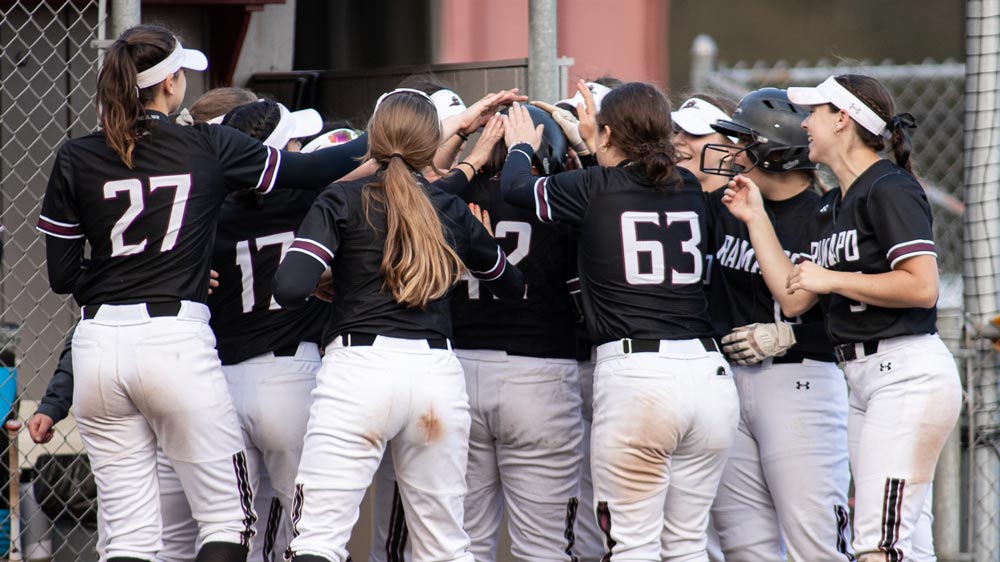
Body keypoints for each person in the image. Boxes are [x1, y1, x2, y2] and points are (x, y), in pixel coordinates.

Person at [35, 24, 368, 562]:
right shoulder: (206, 143)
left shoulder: (76, 155)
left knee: (130, 538)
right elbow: (311, 168)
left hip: (97, 343)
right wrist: (399, 129)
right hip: (173, 339)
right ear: (169, 84)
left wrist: (134, 270)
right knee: (229, 519)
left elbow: (63, 277)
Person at [272, 88, 525, 562]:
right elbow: (513, 286)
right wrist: (482, 246)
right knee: (445, 549)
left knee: (317, 542)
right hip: (434, 376)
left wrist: (331, 277)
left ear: (373, 138)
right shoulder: (448, 206)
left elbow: (289, 287)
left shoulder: (342, 197)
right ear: (430, 148)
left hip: (359, 370)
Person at [722, 74, 961, 562]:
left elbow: (921, 286)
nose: (805, 123)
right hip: (866, 380)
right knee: (906, 545)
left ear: (843, 119)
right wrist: (756, 219)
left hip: (906, 374)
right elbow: (793, 300)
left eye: (814, 112)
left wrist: (832, 281)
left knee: (878, 544)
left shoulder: (889, 186)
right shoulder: (833, 203)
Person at [500, 82, 738, 562]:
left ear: (608, 134)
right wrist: (599, 144)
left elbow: (515, 189)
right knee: (687, 544)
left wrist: (521, 146)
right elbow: (632, 182)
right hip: (708, 376)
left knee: (631, 546)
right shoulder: (687, 185)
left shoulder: (594, 186)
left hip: (640, 381)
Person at [699, 88, 852, 561]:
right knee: (746, 547)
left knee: (816, 540)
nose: (731, 154)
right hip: (728, 385)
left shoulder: (826, 216)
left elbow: (854, 322)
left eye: (743, 143)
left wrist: (792, 335)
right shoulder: (726, 204)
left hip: (800, 385)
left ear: (772, 152)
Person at [669, 95, 737, 192]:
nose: (676, 140)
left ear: (729, 150)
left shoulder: (749, 206)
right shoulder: (652, 201)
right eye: (676, 130)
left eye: (694, 132)